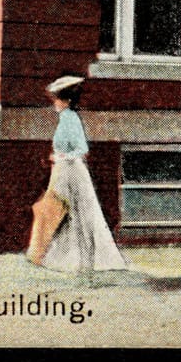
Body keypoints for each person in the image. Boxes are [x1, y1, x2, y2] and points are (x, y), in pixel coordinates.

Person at [28, 75, 127, 273]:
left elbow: (81, 149)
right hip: (64, 170)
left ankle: (81, 260)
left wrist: (62, 157)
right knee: (60, 211)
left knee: (74, 212)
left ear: (66, 100)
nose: (55, 103)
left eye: (58, 98)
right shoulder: (65, 119)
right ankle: (59, 256)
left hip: (72, 170)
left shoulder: (71, 119)